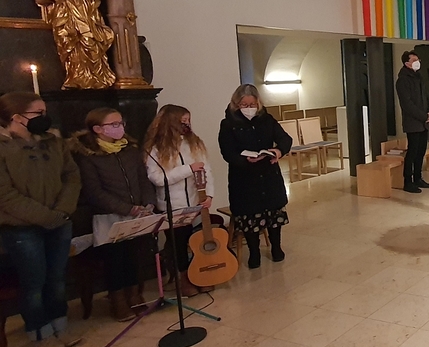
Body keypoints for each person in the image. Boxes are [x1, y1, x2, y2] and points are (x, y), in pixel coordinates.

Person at [0, 92, 82, 347]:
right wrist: (46, 217)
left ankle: (60, 325)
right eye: (38, 113)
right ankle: (40, 333)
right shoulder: (3, 147)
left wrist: (62, 210)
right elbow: (5, 195)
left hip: (59, 220)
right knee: (34, 282)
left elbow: (71, 176)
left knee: (57, 279)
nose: (45, 117)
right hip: (21, 227)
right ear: (17, 117)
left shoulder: (53, 141)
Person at [75, 107, 156, 321]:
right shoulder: (89, 156)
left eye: (121, 123)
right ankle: (118, 300)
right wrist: (126, 208)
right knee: (115, 260)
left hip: (137, 214)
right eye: (114, 124)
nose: (120, 127)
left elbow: (143, 179)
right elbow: (94, 192)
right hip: (109, 216)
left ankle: (135, 295)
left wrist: (148, 203)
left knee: (134, 257)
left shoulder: (130, 151)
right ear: (98, 129)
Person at [218, 86, 292, 267]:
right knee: (250, 216)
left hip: (268, 173)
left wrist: (278, 151)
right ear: (236, 104)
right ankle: (254, 253)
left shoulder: (267, 119)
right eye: (244, 105)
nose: (249, 108)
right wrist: (245, 160)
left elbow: (285, 139)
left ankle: (276, 247)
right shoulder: (228, 124)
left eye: (252, 104)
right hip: (244, 177)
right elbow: (227, 152)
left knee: (273, 213)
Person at [146, 104, 215, 293]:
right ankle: (183, 278)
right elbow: (158, 178)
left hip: (195, 202)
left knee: (195, 240)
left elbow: (206, 170)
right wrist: (188, 169)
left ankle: (198, 274)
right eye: (182, 121)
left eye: (188, 121)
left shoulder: (194, 143)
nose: (187, 125)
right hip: (172, 206)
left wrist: (209, 194)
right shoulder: (156, 149)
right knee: (178, 244)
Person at [395, 51, 429, 194]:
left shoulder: (419, 77)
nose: (418, 62)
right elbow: (407, 104)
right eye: (414, 60)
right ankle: (408, 181)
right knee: (412, 152)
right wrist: (423, 116)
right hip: (413, 122)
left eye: (418, 59)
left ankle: (418, 178)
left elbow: (427, 97)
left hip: (424, 121)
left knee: (421, 151)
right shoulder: (402, 80)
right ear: (407, 63)